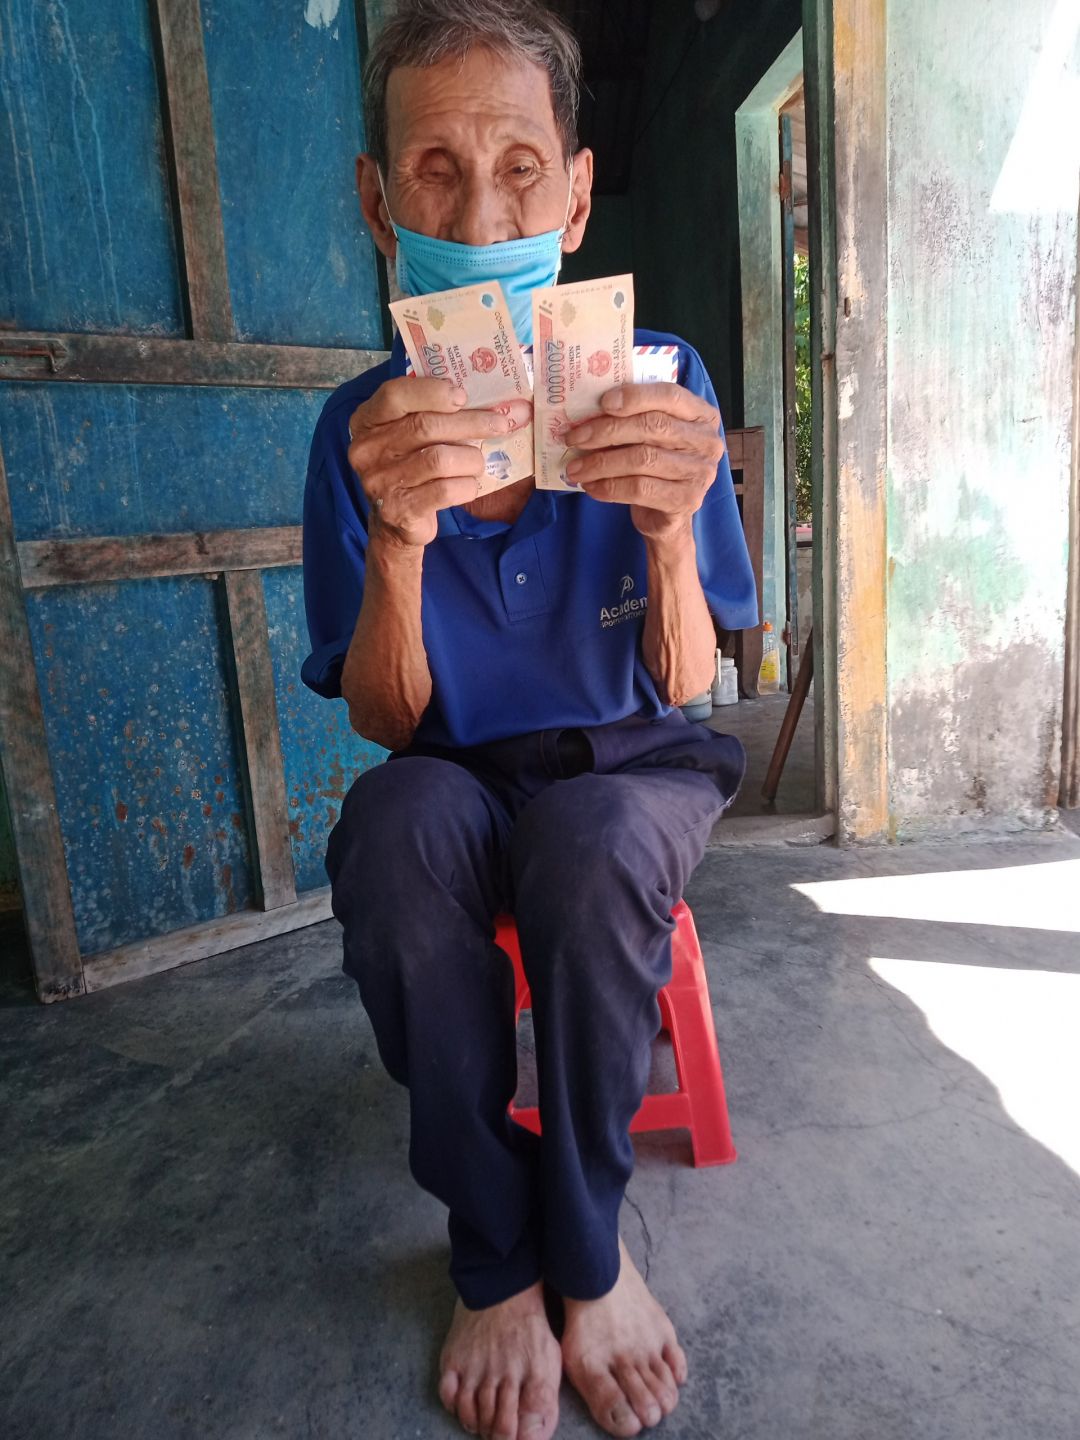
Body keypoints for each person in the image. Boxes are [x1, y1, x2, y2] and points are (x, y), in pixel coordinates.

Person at [301, 3, 757, 1436]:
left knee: (597, 843)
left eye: (518, 170)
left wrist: (669, 534)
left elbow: (685, 682)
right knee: (392, 834)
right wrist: (397, 542)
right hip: (457, 767)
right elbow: (388, 724)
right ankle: (495, 1254)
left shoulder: (661, 385)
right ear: (378, 202)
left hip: (633, 760)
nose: (480, 215)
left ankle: (589, 1247)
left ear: (575, 196)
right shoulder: (361, 432)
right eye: (433, 171)